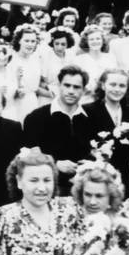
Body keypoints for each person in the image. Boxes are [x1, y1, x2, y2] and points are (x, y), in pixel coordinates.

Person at [23, 66, 93, 197]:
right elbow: (28, 156)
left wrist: (89, 164)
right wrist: (55, 163)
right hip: (49, 189)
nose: (71, 91)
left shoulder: (91, 118)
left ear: (83, 90)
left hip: (85, 189)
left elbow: (96, 152)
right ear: (59, 86)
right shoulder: (36, 117)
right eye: (67, 85)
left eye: (76, 87)